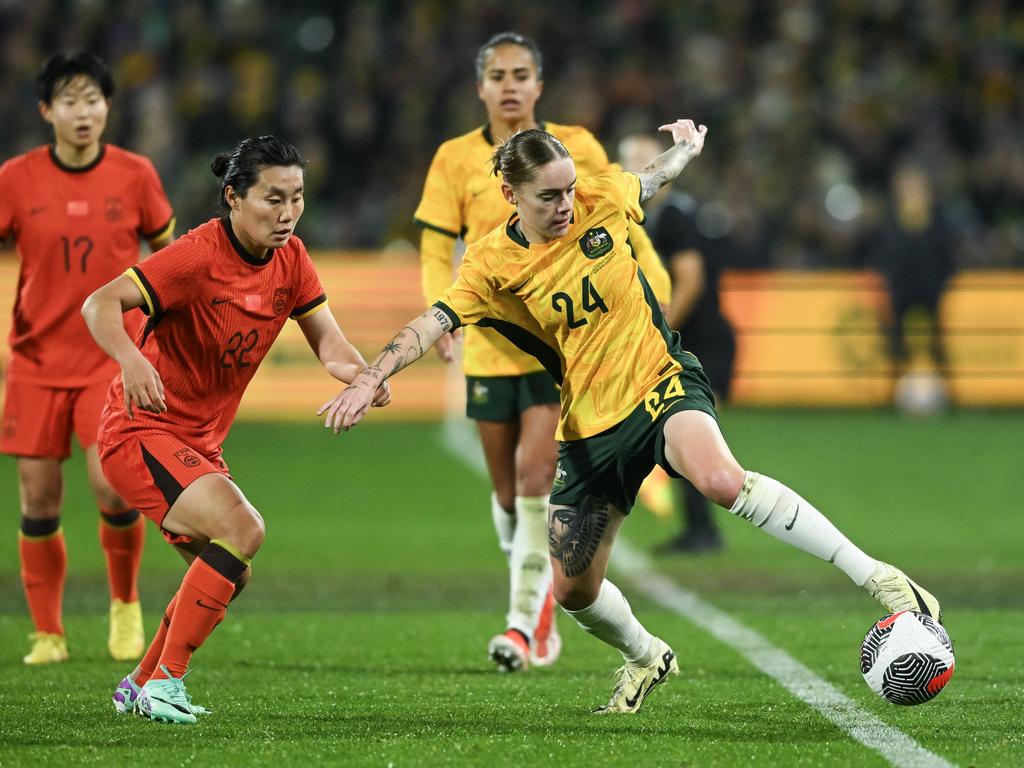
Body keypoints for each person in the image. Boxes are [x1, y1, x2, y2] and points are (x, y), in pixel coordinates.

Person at [321, 121, 943, 714]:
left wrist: (686, 151)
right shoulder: (489, 265)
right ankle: (646, 656)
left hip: (660, 382)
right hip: (590, 426)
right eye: (549, 195)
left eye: (568, 188)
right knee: (573, 591)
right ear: (510, 195)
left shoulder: (597, 198)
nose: (566, 203)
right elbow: (433, 321)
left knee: (722, 481)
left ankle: (884, 581)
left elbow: (649, 177)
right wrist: (374, 374)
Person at [81, 135, 390, 724]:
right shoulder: (196, 255)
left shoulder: (292, 258)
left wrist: (364, 376)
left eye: (297, 198)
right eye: (273, 199)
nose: (288, 212)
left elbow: (329, 343)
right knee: (243, 528)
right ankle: (167, 682)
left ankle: (140, 682)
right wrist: (131, 358)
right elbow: (99, 304)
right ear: (233, 197)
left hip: (196, 443)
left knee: (232, 570)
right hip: (140, 431)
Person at [414, 31, 671, 672]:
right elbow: (433, 244)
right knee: (507, 495)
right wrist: (442, 313)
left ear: (538, 84)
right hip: (491, 348)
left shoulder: (576, 146)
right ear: (481, 87)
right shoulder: (452, 159)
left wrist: (655, 296)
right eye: (497, 74)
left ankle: (525, 626)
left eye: (520, 73)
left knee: (536, 480)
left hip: (562, 346)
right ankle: (535, 601)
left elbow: (619, 225)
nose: (509, 84)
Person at [0, 52, 175, 665]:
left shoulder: (135, 175)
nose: (83, 112)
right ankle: (47, 633)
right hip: (35, 362)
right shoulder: (15, 179)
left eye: (93, 99)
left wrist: (157, 336)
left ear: (107, 107)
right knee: (38, 500)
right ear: (47, 111)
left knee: (114, 491)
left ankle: (124, 607)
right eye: (70, 101)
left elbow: (167, 255)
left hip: (110, 359)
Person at [619, 133, 737, 553]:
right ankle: (701, 531)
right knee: (681, 436)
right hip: (691, 340)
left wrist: (660, 334)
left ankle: (705, 531)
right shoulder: (640, 217)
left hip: (702, 341)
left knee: (690, 432)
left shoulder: (673, 217)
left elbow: (690, 280)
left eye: (644, 160)